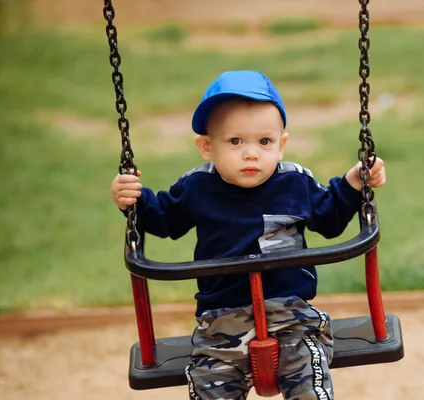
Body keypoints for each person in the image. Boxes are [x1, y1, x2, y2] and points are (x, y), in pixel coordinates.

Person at [110, 70, 386, 400]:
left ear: (281, 146)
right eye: (235, 141)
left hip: (291, 316)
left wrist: (355, 183)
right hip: (221, 322)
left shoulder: (295, 182)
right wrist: (133, 200)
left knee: (310, 383)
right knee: (209, 382)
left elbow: (330, 218)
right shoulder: (197, 187)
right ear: (206, 146)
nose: (251, 153)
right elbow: (164, 219)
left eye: (264, 141)